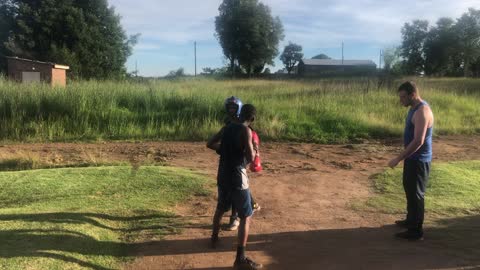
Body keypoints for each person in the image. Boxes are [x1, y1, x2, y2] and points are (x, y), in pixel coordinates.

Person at [211, 104, 262, 269]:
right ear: (252, 118)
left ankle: (214, 238)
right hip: (237, 177)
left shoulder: (227, 128)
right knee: (246, 215)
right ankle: (240, 258)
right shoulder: (246, 131)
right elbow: (249, 156)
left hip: (222, 174)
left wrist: (224, 151)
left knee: (221, 207)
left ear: (240, 113)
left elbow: (210, 143)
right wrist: (255, 150)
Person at [388, 81, 434, 241]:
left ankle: (416, 231)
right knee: (409, 189)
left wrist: (398, 158)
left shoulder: (422, 111)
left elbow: (418, 141)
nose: (401, 100)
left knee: (416, 194)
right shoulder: (414, 108)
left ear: (412, 95)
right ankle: (411, 220)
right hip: (412, 158)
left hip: (419, 160)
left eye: (403, 97)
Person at [207, 96, 260, 231]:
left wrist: (248, 155)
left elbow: (249, 145)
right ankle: (248, 207)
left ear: (239, 109)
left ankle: (234, 218)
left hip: (237, 163)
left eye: (234, 107)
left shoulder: (244, 125)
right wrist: (223, 149)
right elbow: (214, 142)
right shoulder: (228, 123)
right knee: (236, 189)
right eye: (229, 107)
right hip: (230, 164)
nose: (231, 110)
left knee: (237, 189)